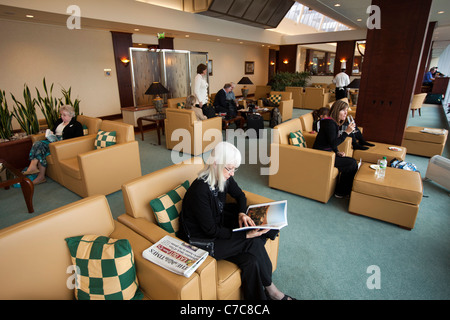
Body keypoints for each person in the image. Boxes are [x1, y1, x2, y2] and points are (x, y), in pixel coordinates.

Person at [178, 142, 295, 300]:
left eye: (234, 169)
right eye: (229, 168)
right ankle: (273, 292)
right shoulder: (199, 191)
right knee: (252, 241)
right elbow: (210, 231)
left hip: (217, 230)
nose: (232, 173)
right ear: (215, 164)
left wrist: (241, 213)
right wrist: (245, 236)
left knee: (251, 260)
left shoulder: (222, 177)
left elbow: (240, 196)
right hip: (200, 243)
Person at [23, 105, 83, 185]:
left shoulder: (77, 125)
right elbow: (54, 130)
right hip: (53, 141)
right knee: (40, 148)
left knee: (38, 145)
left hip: (62, 145)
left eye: (64, 115)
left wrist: (61, 141)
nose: (62, 117)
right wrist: (51, 133)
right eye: (61, 114)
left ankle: (34, 168)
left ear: (71, 114)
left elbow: (78, 140)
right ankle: (40, 176)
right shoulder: (59, 121)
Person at [313, 100, 358, 198]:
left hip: (328, 154)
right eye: (343, 110)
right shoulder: (329, 123)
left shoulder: (331, 122)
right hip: (322, 156)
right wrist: (346, 133)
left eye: (346, 111)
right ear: (337, 111)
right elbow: (333, 142)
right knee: (352, 163)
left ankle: (342, 189)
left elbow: (331, 142)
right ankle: (341, 191)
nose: (346, 113)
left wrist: (337, 152)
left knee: (351, 162)